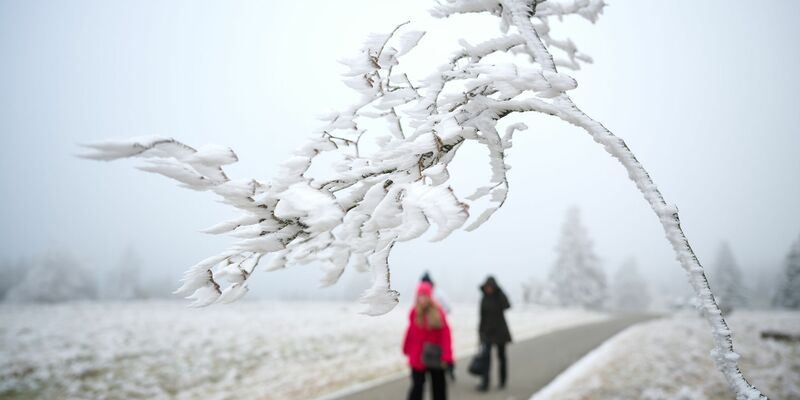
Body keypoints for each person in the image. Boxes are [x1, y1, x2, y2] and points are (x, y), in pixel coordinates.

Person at [403, 281, 454, 400]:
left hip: (435, 356)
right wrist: (406, 348)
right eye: (420, 296)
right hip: (417, 356)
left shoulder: (438, 312)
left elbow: (446, 335)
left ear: (429, 296)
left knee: (438, 387)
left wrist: (447, 356)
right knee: (417, 387)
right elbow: (410, 332)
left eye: (425, 295)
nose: (422, 299)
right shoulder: (414, 312)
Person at [477, 276, 511, 391]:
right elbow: (481, 316)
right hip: (487, 332)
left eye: (491, 287)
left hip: (500, 331)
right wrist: (480, 332)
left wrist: (500, 292)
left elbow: (507, 305)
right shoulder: (484, 299)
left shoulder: (499, 297)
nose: (488, 289)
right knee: (486, 358)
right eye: (487, 287)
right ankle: (485, 383)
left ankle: (502, 381)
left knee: (501, 357)